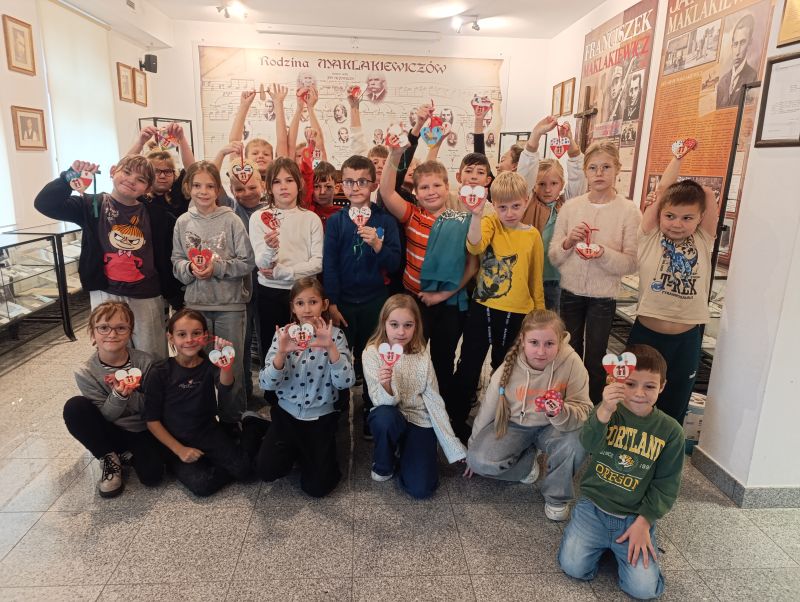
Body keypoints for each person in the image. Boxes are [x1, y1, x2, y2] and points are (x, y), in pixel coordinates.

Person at [558, 344, 684, 600]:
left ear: (662, 386)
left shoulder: (671, 432)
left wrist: (645, 521)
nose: (639, 393)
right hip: (593, 508)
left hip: (633, 518)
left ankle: (615, 547)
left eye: (649, 386)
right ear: (617, 382)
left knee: (644, 590)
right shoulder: (608, 411)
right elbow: (588, 444)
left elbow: (666, 484)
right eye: (630, 384)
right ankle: (605, 546)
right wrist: (604, 410)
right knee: (573, 567)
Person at [34, 156, 181, 358]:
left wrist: (175, 296)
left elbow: (166, 256)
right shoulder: (92, 205)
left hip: (146, 294)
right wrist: (68, 177)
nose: (131, 180)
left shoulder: (156, 215)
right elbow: (45, 204)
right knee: (111, 351)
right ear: (113, 172)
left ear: (147, 188)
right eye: (126, 172)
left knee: (151, 354)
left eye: (140, 179)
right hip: (106, 291)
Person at [380, 104, 478, 408]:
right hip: (415, 301)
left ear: (448, 188)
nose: (431, 191)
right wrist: (394, 155)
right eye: (424, 187)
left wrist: (443, 294)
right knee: (410, 357)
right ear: (417, 192)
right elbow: (386, 192)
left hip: (448, 304)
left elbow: (472, 264)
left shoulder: (462, 219)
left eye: (437, 185)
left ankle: (441, 410)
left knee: (443, 359)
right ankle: (410, 406)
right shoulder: (413, 215)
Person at [465, 309, 591, 520]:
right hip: (516, 425)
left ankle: (557, 496)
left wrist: (560, 411)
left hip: (555, 426)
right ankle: (529, 463)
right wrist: (472, 447)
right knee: (479, 461)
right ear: (523, 340)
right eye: (534, 343)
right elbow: (487, 409)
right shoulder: (508, 367)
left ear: (560, 341)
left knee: (577, 441)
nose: (541, 352)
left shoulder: (572, 362)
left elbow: (584, 409)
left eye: (549, 344)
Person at [448, 171, 546, 442]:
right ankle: (455, 419)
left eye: (516, 206)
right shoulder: (490, 222)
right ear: (494, 205)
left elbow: (535, 279)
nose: (509, 213)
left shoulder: (532, 236)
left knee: (505, 369)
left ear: (526, 201)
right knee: (469, 364)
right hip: (484, 309)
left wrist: (539, 317)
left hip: (519, 314)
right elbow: (475, 246)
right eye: (502, 207)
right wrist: (477, 215)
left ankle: (497, 419)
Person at [628, 146, 719, 424]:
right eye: (670, 216)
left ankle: (668, 448)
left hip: (686, 338)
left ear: (700, 218)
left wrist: (686, 186)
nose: (677, 224)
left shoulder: (703, 239)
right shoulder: (650, 236)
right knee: (634, 399)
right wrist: (675, 162)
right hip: (647, 334)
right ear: (660, 214)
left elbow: (707, 194)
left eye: (687, 218)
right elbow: (663, 192)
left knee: (675, 404)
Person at [549, 141, 640, 404]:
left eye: (606, 167)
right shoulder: (571, 207)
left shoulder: (628, 211)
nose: (599, 173)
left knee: (596, 355)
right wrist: (568, 242)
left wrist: (603, 253)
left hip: (604, 296)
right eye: (593, 168)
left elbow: (632, 262)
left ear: (617, 169)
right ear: (585, 172)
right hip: (570, 292)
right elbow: (554, 256)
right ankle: (568, 403)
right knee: (568, 350)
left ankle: (591, 409)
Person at [171, 161, 255, 428]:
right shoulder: (183, 222)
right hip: (196, 306)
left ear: (218, 189)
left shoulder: (231, 220)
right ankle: (203, 420)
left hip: (230, 305)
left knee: (231, 365)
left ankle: (233, 421)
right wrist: (190, 269)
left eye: (209, 186)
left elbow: (247, 261)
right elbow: (176, 261)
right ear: (188, 187)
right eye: (197, 185)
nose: (203, 191)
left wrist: (217, 268)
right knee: (199, 366)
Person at [323, 155, 401, 439]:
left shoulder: (385, 221)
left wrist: (378, 244)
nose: (355, 187)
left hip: (374, 301)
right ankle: (340, 404)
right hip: (343, 302)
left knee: (373, 357)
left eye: (362, 182)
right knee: (341, 356)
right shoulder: (336, 221)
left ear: (373, 184)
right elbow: (330, 265)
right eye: (349, 182)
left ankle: (371, 407)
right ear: (341, 185)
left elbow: (395, 263)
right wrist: (332, 303)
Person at [256, 278, 354, 497]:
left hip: (321, 418)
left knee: (318, 488)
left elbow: (345, 382)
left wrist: (330, 348)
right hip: (286, 415)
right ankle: (260, 427)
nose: (307, 309)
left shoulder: (335, 336)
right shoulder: (282, 335)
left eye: (313, 302)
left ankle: (308, 452)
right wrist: (281, 354)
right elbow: (266, 383)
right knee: (266, 470)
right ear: (292, 307)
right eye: (300, 303)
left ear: (324, 304)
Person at [363, 294, 466, 498]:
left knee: (422, 489)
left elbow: (434, 401)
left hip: (418, 418)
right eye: (394, 324)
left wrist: (453, 445)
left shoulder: (422, 354)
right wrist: (386, 383)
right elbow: (380, 402)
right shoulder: (372, 353)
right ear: (384, 324)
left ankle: (408, 452)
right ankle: (384, 463)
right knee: (385, 418)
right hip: (390, 415)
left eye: (408, 325)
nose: (401, 332)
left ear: (416, 326)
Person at [144, 309, 253, 497]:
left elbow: (226, 388)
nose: (189, 340)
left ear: (205, 336)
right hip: (175, 439)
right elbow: (152, 420)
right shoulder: (160, 371)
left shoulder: (208, 365)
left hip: (207, 431)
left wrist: (226, 366)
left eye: (196, 333)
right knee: (202, 485)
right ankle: (198, 461)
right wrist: (179, 450)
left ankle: (253, 425)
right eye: (182, 334)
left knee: (245, 471)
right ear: (171, 338)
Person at [63, 301, 164, 498]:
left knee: (153, 476)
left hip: (141, 428)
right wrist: (119, 395)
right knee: (74, 407)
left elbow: (153, 406)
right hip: (109, 428)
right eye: (103, 328)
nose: (112, 334)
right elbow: (106, 415)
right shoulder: (85, 371)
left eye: (120, 328)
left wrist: (129, 394)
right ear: (92, 333)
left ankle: (126, 454)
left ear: (130, 332)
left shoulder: (145, 361)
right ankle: (108, 456)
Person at [249, 157, 323, 397]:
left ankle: (306, 394)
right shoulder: (259, 217)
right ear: (269, 187)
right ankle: (273, 397)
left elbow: (317, 262)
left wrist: (285, 272)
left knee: (306, 346)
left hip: (304, 293)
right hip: (270, 293)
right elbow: (262, 264)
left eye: (289, 180)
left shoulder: (310, 218)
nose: (283, 187)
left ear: (299, 184)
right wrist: (270, 249)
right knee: (274, 346)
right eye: (277, 181)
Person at [518, 116, 586, 311]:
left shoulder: (568, 204)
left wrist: (570, 143)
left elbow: (578, 176)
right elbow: (525, 173)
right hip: (531, 276)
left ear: (562, 184)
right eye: (541, 184)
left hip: (560, 279)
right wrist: (536, 135)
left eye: (554, 183)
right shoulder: (527, 203)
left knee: (554, 323)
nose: (547, 189)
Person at [716, 14, 758, 109]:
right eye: (735, 44)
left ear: (750, 43)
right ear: (731, 46)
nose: (738, 51)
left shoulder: (753, 77)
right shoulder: (722, 81)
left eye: (742, 43)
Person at [310, 160, 345, 229]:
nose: (322, 192)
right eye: (316, 187)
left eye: (328, 187)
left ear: (336, 188)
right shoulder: (310, 210)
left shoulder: (342, 215)